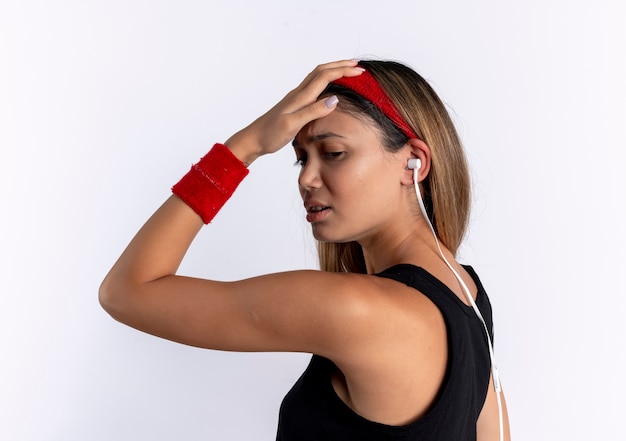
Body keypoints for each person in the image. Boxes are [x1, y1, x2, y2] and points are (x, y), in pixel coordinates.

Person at [99, 59, 511, 440]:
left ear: (414, 163)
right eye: (300, 159)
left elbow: (127, 291)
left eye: (333, 153)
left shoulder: (356, 310)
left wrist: (247, 146)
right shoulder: (470, 296)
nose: (307, 179)